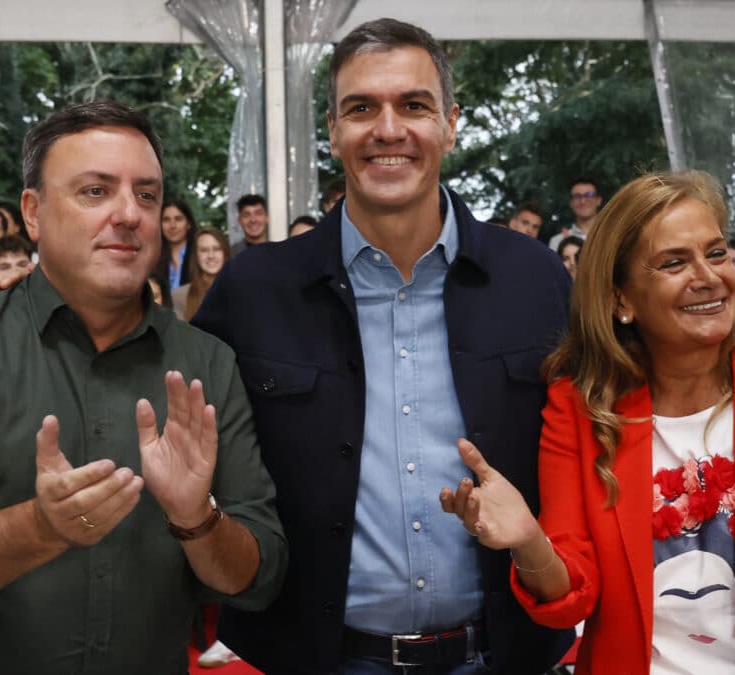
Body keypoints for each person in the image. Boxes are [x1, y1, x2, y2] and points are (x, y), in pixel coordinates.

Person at [192, 18, 574, 673]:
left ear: (451, 124)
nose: (388, 129)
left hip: (501, 653)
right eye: (361, 107)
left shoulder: (537, 280)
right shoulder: (254, 290)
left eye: (415, 105)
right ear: (334, 131)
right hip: (317, 658)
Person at [0, 100, 286, 674]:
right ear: (33, 214)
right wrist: (38, 528)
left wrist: (197, 520)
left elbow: (258, 578)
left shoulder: (204, 364)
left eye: (146, 194)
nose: (129, 214)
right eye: (95, 191)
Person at [442, 170, 735, 674]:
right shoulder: (580, 406)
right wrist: (528, 542)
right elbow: (569, 601)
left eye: (716, 253)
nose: (708, 275)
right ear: (621, 300)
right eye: (674, 262)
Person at [172, 227, 229, 322]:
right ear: (196, 256)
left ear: (225, 253)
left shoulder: (241, 291)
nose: (211, 256)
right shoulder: (179, 296)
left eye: (216, 249)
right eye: (204, 250)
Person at [548, 177, 602, 251]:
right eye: (577, 196)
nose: (583, 201)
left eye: (589, 195)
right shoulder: (557, 241)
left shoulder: (612, 236)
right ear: (571, 203)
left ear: (599, 200)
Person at [160, 199, 196, 291]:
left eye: (178, 219)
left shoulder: (199, 254)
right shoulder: (153, 258)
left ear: (189, 224)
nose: (172, 225)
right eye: (166, 220)